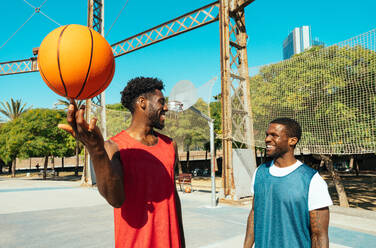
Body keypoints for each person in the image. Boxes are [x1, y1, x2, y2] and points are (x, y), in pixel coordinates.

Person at [58, 77, 185, 248]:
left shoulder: (170, 146)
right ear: (142, 103)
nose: (166, 107)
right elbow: (115, 199)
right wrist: (96, 150)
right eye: (161, 102)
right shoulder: (114, 147)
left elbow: (174, 199)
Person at [243, 118, 332, 248]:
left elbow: (319, 236)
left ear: (292, 141)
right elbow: (255, 213)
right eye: (267, 135)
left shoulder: (312, 180)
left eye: (274, 135)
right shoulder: (260, 172)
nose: (267, 139)